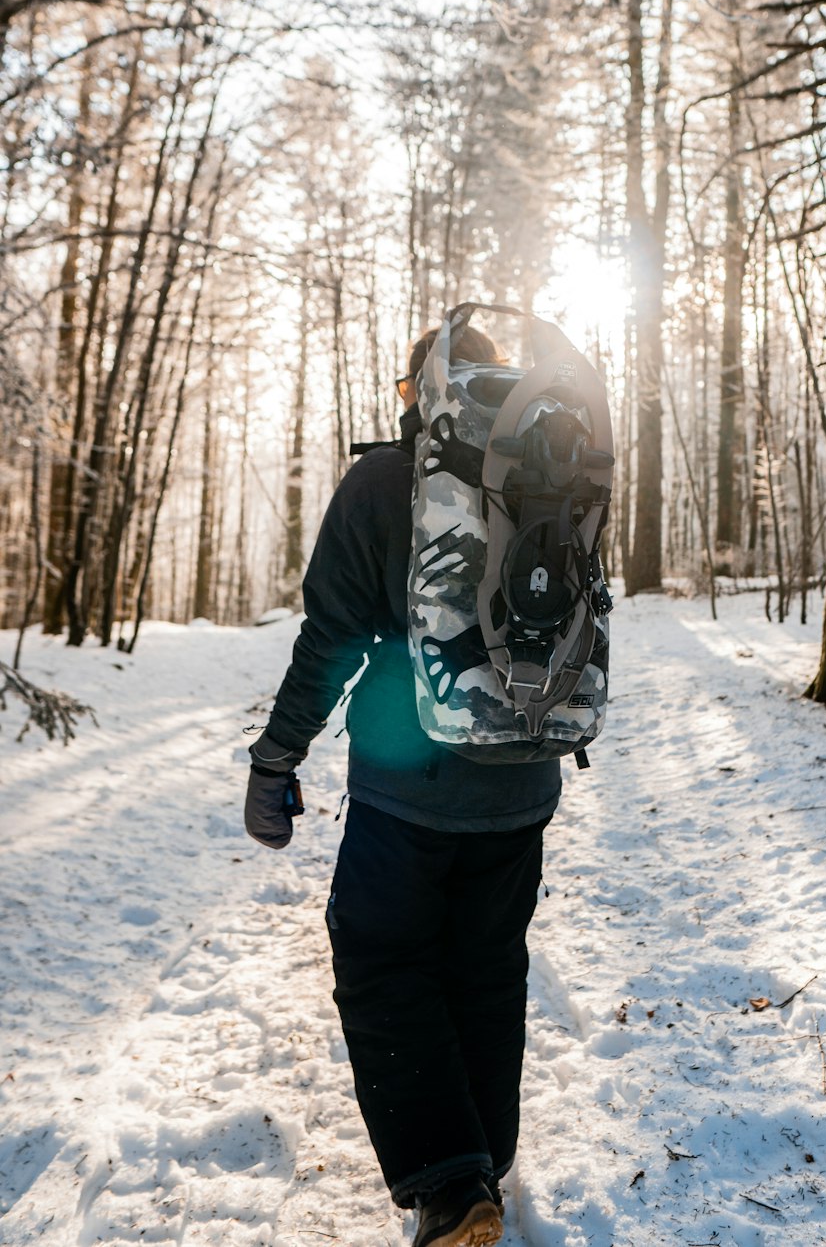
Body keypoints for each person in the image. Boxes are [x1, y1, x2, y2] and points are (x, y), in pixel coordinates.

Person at [244, 323, 562, 1247]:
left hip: (407, 783)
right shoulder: (551, 471)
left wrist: (276, 759)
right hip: (524, 776)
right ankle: (482, 1166)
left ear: (417, 390)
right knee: (488, 967)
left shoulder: (384, 480)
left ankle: (450, 1184)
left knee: (382, 959)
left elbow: (330, 642)